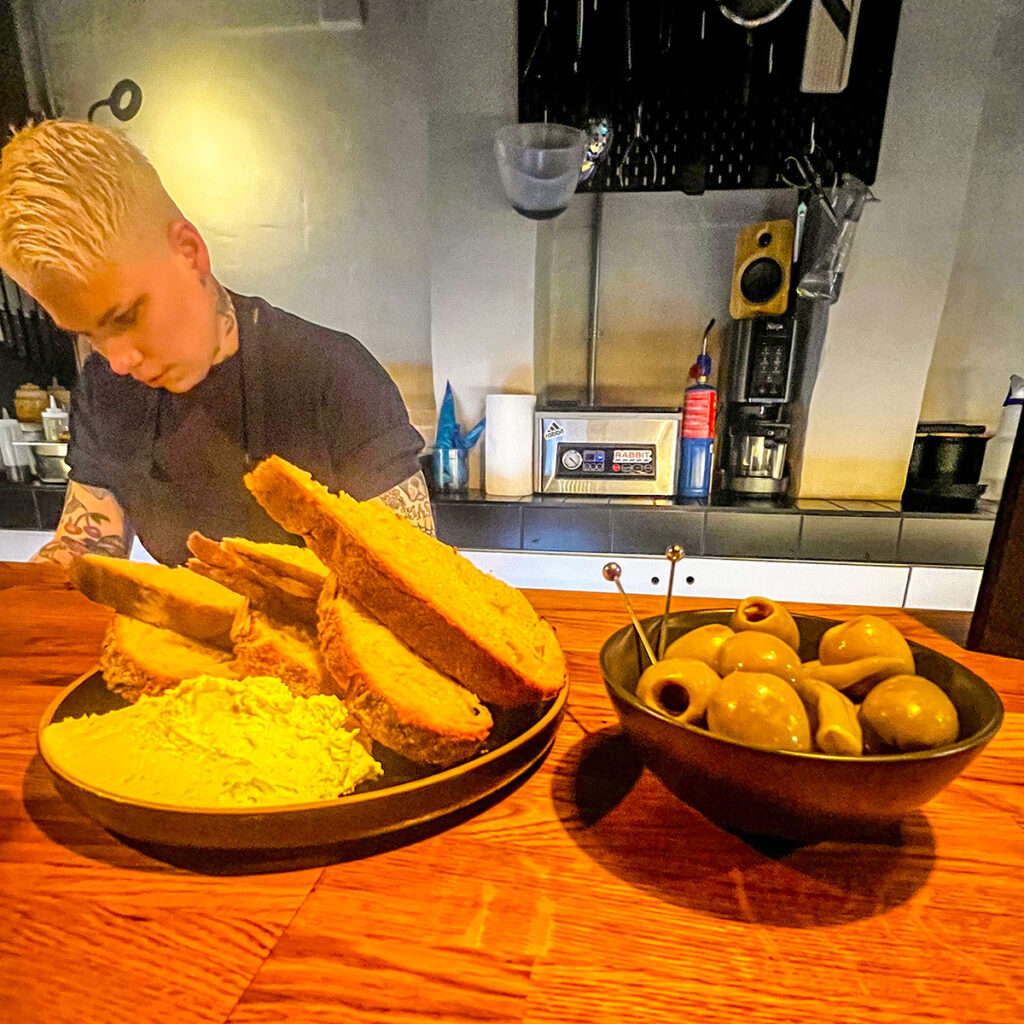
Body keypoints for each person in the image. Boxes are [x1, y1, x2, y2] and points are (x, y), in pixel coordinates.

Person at [0, 120, 433, 567]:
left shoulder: (335, 379)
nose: (119, 360)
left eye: (127, 316)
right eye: (89, 334)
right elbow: (86, 544)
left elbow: (416, 578)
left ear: (189, 252)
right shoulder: (105, 387)